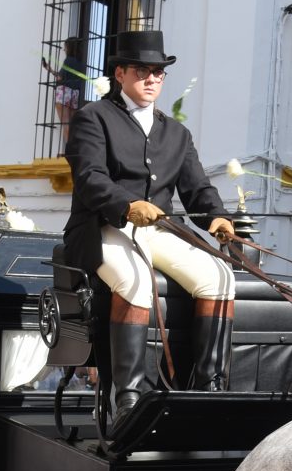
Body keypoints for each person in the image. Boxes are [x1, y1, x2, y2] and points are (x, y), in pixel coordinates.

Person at [63, 29, 236, 423]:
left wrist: (217, 217)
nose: (152, 78)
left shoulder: (177, 133)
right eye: (143, 71)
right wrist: (127, 205)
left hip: (158, 232)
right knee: (135, 280)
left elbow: (198, 188)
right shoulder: (93, 117)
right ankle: (127, 396)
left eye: (158, 72)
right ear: (120, 73)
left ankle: (209, 387)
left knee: (220, 277)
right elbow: (89, 178)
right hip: (104, 227)